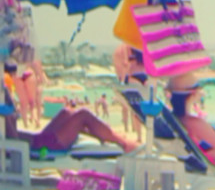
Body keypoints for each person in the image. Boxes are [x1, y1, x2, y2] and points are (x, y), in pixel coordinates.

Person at [3, 62, 137, 152]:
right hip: (38, 145)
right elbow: (13, 139)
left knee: (67, 112)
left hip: (35, 140)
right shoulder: (2, 100)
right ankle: (123, 143)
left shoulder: (3, 95)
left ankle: (104, 134)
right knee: (83, 115)